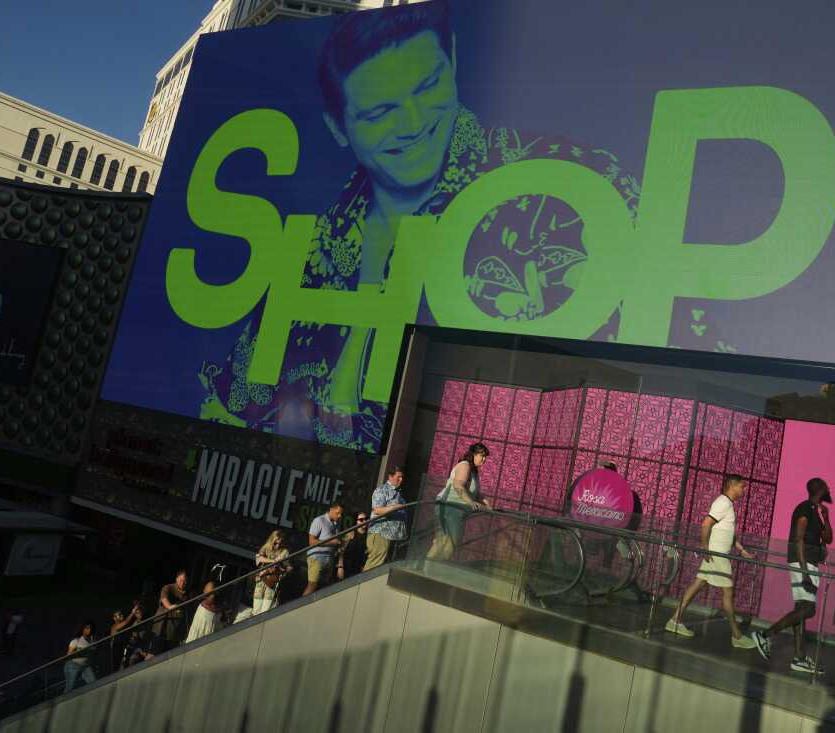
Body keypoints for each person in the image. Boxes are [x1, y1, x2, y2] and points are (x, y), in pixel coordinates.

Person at [196, 0, 650, 448]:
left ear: (451, 58)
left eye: (428, 86)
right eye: (379, 113)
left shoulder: (567, 189)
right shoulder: (311, 247)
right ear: (338, 126)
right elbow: (233, 405)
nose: (413, 125)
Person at [665, 475, 758, 650]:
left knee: (697, 585)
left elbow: (728, 532)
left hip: (715, 555)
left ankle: (675, 620)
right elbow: (706, 523)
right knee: (728, 593)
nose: (744, 490)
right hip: (717, 556)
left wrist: (742, 551)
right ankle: (737, 636)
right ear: (732, 486)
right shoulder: (723, 503)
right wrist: (705, 548)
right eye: (742, 487)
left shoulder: (727, 504)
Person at [752, 478, 834, 674]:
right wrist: (804, 571)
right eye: (827, 486)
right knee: (809, 610)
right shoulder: (804, 509)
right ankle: (765, 634)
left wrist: (827, 518)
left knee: (802, 609)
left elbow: (828, 539)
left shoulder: (817, 511)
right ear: (820, 490)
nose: (829, 489)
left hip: (810, 563)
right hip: (802, 563)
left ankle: (799, 658)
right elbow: (798, 538)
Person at [428, 443, 492, 560]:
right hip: (449, 506)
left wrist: (487, 505)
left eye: (485, 457)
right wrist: (471, 503)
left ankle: (430, 568)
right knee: (447, 540)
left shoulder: (474, 472)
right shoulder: (465, 465)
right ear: (473, 454)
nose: (484, 459)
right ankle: (432, 568)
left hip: (458, 510)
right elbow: (458, 485)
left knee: (447, 540)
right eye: (481, 456)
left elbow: (477, 493)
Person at [365, 466, 407, 572]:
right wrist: (394, 508)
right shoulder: (382, 490)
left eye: (402, 477)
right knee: (374, 566)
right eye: (399, 477)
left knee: (382, 569)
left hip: (393, 537)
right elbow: (377, 509)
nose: (401, 480)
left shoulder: (398, 493)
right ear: (390, 476)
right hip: (381, 534)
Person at [304, 503, 344, 596]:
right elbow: (311, 542)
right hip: (317, 558)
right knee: (312, 585)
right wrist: (331, 542)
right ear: (331, 510)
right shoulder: (319, 521)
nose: (340, 516)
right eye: (338, 513)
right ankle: (298, 608)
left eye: (341, 514)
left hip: (329, 559)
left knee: (323, 588)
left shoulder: (337, 524)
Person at [151, 570, 190, 653]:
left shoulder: (188, 594)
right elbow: (164, 599)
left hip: (174, 633)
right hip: (161, 629)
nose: (182, 583)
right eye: (181, 580)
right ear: (176, 579)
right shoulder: (168, 588)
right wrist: (170, 606)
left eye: (185, 581)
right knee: (153, 655)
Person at [253, 530, 291, 615]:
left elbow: (288, 567)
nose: (277, 546)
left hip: (272, 582)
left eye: (280, 544)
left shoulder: (285, 551)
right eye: (275, 543)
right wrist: (273, 561)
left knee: (265, 610)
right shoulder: (266, 547)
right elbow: (258, 560)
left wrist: (283, 569)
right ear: (271, 540)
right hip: (260, 580)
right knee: (256, 609)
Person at [63, 621, 96, 693]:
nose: (89, 630)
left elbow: (92, 653)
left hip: (85, 666)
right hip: (73, 665)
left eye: (90, 628)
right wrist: (79, 652)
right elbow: (68, 655)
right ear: (83, 629)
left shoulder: (92, 641)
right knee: (69, 688)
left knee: (94, 683)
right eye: (87, 628)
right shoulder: (76, 640)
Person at [340, 513, 369, 579]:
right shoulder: (351, 533)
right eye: (361, 520)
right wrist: (340, 567)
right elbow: (341, 551)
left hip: (359, 569)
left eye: (366, 519)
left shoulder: (368, 535)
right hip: (346, 567)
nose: (364, 521)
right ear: (356, 522)